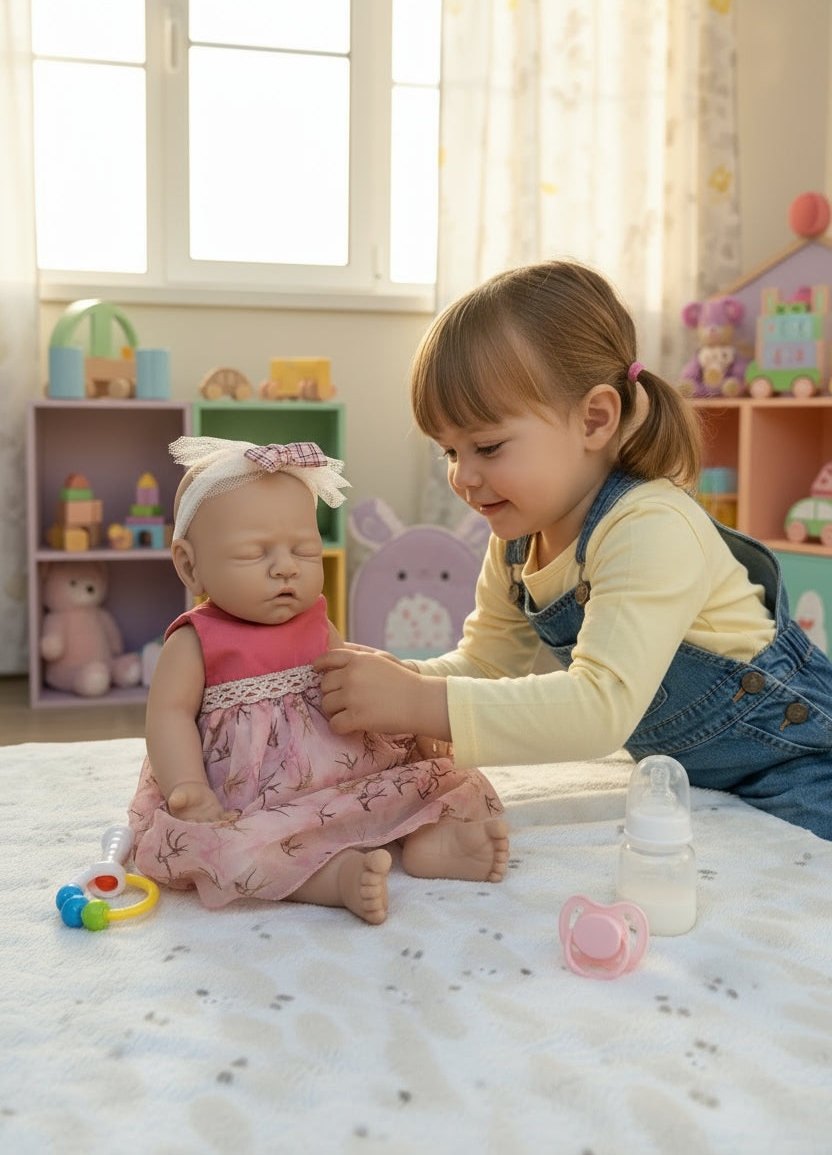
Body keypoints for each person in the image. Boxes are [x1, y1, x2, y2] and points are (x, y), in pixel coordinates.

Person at [315, 260, 832, 841]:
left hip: (799, 760)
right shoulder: (517, 541)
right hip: (692, 778)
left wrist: (416, 701)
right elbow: (484, 666)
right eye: (449, 452)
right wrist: (397, 678)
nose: (462, 477)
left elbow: (599, 707)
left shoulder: (649, 527)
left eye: (486, 446)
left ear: (594, 419)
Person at [128, 436, 508, 924]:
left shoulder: (315, 621)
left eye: (305, 550)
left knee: (413, 783)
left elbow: (357, 673)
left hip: (343, 771)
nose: (286, 566)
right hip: (252, 797)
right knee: (233, 848)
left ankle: (432, 843)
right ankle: (333, 881)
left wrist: (415, 721)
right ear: (189, 564)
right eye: (254, 553)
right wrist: (188, 786)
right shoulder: (195, 639)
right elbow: (168, 713)